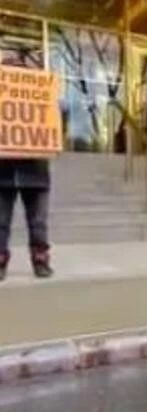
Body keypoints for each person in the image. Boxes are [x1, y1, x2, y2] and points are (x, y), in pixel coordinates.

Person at [0, 53, 53, 281]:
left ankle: (40, 260)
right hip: (3, 172)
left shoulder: (40, 96)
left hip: (36, 171)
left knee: (38, 222)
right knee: (0, 222)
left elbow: (53, 124)